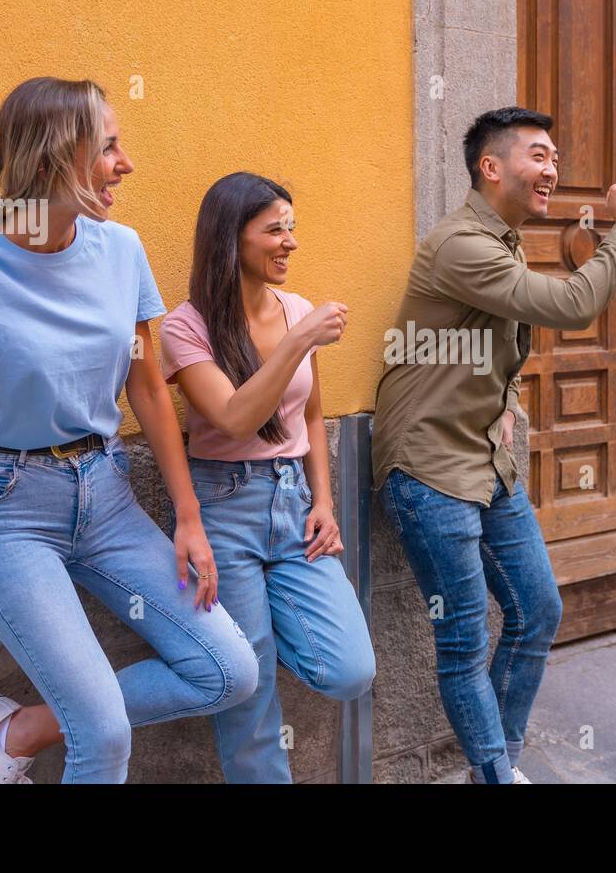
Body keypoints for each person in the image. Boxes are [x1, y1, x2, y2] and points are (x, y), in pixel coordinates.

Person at [0, 77, 258, 784]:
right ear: (52, 157)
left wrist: (188, 516)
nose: (125, 164)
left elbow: (147, 385)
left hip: (108, 496)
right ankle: (75, 717)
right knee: (102, 735)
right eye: (110, 147)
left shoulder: (120, 249)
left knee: (229, 671)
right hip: (9, 510)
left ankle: (23, 728)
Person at [373, 105, 616, 783]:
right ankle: (497, 774)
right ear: (490, 167)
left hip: (483, 462)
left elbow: (496, 341)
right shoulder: (461, 244)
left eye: (555, 156)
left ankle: (495, 767)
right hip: (430, 469)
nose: (552, 168)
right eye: (538, 155)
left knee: (538, 610)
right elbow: (568, 308)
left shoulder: (501, 240)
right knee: (464, 642)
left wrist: (508, 403)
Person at [159, 171, 375, 783]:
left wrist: (324, 499)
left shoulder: (296, 309)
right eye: (275, 229)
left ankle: (263, 636)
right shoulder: (185, 327)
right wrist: (299, 341)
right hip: (222, 509)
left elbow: (308, 409)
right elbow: (232, 416)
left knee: (350, 667)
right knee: (247, 694)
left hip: (294, 504)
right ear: (232, 238)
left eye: (292, 228)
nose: (290, 242)